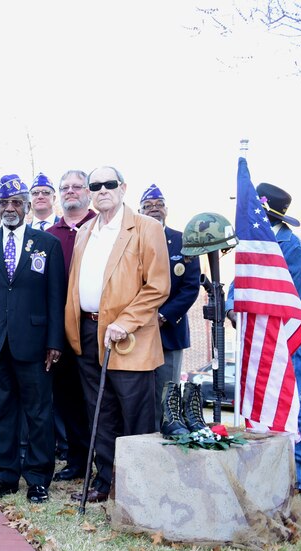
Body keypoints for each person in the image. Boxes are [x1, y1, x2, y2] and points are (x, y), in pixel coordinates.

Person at [65, 166, 169, 504]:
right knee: (100, 411)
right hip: (89, 330)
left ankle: (138, 485)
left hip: (128, 333)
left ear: (123, 188)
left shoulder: (146, 228)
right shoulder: (85, 231)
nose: (102, 190)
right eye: (96, 185)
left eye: (109, 184)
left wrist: (126, 320)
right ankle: (106, 479)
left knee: (134, 411)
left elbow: (158, 286)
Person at [0, 175, 66, 503]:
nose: (10, 208)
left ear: (27, 207)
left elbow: (57, 297)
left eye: (16, 203)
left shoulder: (47, 244)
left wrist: (55, 341)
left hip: (36, 344)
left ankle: (38, 479)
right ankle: (5, 477)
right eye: (5, 203)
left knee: (39, 413)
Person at [227, 182, 301, 494]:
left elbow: (286, 302)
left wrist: (249, 311)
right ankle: (265, 473)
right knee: (259, 405)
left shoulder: (292, 250)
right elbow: (236, 286)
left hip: (287, 341)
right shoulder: (254, 246)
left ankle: (298, 479)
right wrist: (231, 310)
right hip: (258, 339)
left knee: (289, 405)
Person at [45, 170, 98, 481]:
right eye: (65, 187)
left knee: (97, 400)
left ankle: (104, 462)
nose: (71, 191)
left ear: (87, 192)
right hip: (61, 331)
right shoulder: (51, 235)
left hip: (94, 326)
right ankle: (77, 461)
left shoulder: (102, 227)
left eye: (77, 186)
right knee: (68, 400)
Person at [138, 184, 200, 422]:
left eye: (159, 205)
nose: (154, 209)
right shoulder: (132, 240)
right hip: (137, 331)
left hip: (169, 332)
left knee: (167, 395)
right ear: (140, 210)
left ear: (167, 209)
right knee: (138, 395)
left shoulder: (183, 241)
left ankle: (164, 442)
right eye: (148, 206)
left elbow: (190, 287)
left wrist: (163, 316)